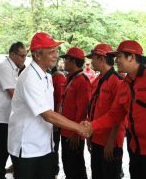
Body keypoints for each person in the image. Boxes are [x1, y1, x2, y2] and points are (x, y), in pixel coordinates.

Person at [82, 40, 146, 179]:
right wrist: (92, 126)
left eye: (119, 57)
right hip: (135, 151)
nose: (116, 60)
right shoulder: (124, 85)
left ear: (132, 57)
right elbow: (114, 115)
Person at [7, 32, 89, 179]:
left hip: (44, 146)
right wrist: (79, 128)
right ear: (38, 55)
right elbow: (47, 114)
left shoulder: (46, 75)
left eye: (56, 51)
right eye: (51, 52)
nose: (56, 55)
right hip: (27, 148)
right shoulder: (29, 78)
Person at [0, 42, 27, 179]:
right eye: (21, 56)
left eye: (25, 56)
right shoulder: (4, 67)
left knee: (1, 151)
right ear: (12, 54)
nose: (24, 59)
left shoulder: (14, 68)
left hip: (4, 115)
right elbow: (13, 93)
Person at [86, 43, 125, 179]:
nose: (91, 62)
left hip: (110, 143)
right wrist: (90, 135)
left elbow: (119, 115)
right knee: (97, 174)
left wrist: (111, 142)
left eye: (93, 58)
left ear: (101, 59)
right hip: (96, 139)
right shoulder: (98, 80)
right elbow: (93, 109)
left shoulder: (118, 82)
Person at [59, 47, 91, 179]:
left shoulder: (82, 81)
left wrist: (76, 132)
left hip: (73, 133)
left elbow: (83, 110)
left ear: (73, 62)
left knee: (75, 167)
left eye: (66, 59)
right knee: (67, 164)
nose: (64, 62)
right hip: (66, 130)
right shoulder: (70, 78)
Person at [51, 65, 66, 178]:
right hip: (51, 118)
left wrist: (56, 120)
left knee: (54, 145)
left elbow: (60, 100)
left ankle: (54, 170)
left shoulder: (58, 78)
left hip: (54, 119)